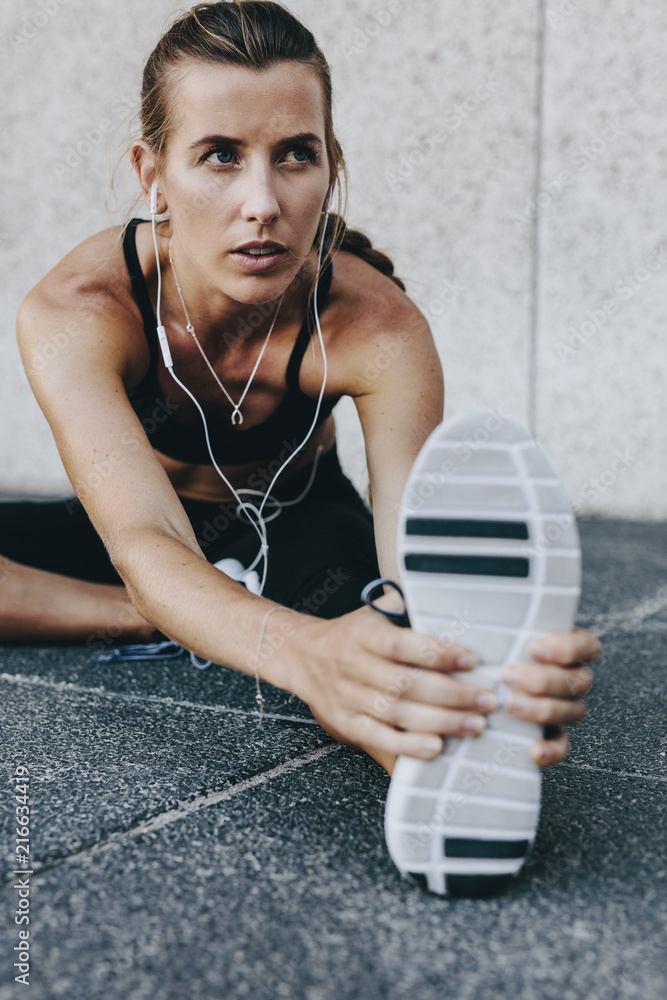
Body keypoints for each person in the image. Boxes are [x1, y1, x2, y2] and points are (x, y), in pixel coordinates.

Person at [6, 0, 599, 787]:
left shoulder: (376, 328)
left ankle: (442, 764)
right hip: (141, 535)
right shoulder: (79, 311)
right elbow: (146, 539)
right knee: (274, 627)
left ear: (330, 166)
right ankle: (167, 617)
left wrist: (482, 659)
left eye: (293, 155)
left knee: (370, 646)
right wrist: (280, 643)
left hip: (297, 520)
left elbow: (413, 563)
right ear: (152, 176)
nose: (263, 202)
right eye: (219, 155)